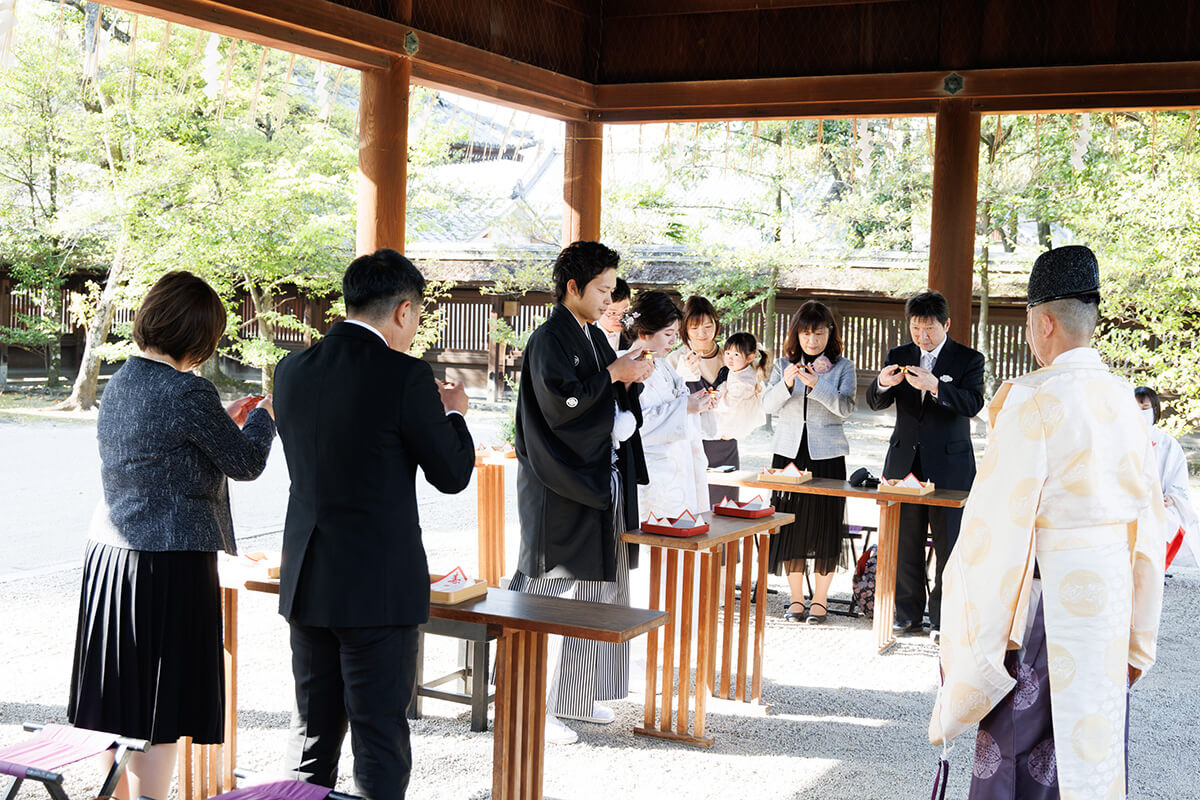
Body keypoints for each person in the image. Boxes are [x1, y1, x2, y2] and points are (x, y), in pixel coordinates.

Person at [931, 245, 1167, 800]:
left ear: (1044, 324)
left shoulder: (1031, 400)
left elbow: (993, 527)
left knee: (1016, 754)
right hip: (1107, 604)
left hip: (1043, 605)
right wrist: (1138, 632)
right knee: (1091, 749)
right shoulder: (1127, 404)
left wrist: (968, 629)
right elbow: (1149, 528)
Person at [273, 249, 475, 798]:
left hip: (308, 577)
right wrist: (455, 412)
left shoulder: (291, 370)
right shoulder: (405, 375)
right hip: (377, 588)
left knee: (311, 735)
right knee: (379, 737)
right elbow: (452, 474)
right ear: (404, 310)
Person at [68, 271, 276, 800]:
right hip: (167, 563)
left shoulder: (122, 379)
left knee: (118, 700)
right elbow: (246, 463)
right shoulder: (189, 389)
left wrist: (220, 420)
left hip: (111, 556)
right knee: (163, 706)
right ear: (198, 336)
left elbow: (162, 443)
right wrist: (264, 418)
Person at [509, 241, 651, 745]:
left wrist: (628, 375)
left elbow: (604, 392)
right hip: (558, 482)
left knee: (598, 585)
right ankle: (523, 703)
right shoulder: (549, 338)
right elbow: (562, 406)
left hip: (593, 479)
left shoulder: (589, 334)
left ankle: (572, 695)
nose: (609, 299)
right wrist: (615, 374)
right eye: (602, 289)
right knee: (543, 590)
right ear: (573, 287)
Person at [865, 290, 984, 638]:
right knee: (906, 543)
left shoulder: (969, 359)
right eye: (916, 328)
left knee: (950, 546)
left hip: (950, 466)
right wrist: (882, 383)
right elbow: (875, 402)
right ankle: (907, 615)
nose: (922, 336)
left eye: (929, 328)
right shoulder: (898, 355)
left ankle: (944, 620)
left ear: (946, 324)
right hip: (904, 463)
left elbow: (973, 404)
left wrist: (936, 387)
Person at [761, 301, 856, 624]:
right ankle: (796, 598)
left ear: (830, 333)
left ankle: (821, 599)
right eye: (805, 334)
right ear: (796, 335)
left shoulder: (843, 367)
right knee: (791, 525)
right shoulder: (782, 364)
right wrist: (786, 384)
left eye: (819, 334)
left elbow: (846, 409)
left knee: (826, 525)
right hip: (787, 454)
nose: (812, 341)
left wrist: (818, 385)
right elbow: (767, 405)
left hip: (827, 455)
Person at [626, 290, 716, 521]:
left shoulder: (662, 364)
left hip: (679, 465)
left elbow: (678, 401)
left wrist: (697, 403)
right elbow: (633, 425)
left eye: (676, 334)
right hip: (653, 471)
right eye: (668, 334)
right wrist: (685, 407)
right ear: (644, 332)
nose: (673, 341)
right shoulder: (625, 366)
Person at [668, 295, 729, 505]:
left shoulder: (730, 358)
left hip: (725, 442)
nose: (702, 334)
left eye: (707, 326)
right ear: (684, 329)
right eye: (694, 328)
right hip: (689, 443)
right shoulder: (674, 359)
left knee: (726, 506)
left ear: (716, 325)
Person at [1135, 385, 1198, 567]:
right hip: (1129, 502)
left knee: (1164, 521)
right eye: (1135, 408)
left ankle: (1154, 567)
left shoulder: (1168, 444)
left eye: (1145, 408)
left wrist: (1172, 497)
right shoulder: (1121, 441)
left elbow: (1178, 481)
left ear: (1155, 410)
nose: (1140, 412)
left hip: (1159, 503)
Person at [714, 332, 767, 448]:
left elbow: (728, 404)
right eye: (727, 353)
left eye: (736, 355)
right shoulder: (739, 370)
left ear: (750, 357)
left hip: (734, 422)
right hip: (733, 418)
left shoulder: (744, 382)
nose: (730, 358)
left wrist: (719, 392)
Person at [598, 277, 632, 351]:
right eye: (613, 313)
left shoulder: (634, 336)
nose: (620, 318)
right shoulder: (585, 335)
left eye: (625, 311)